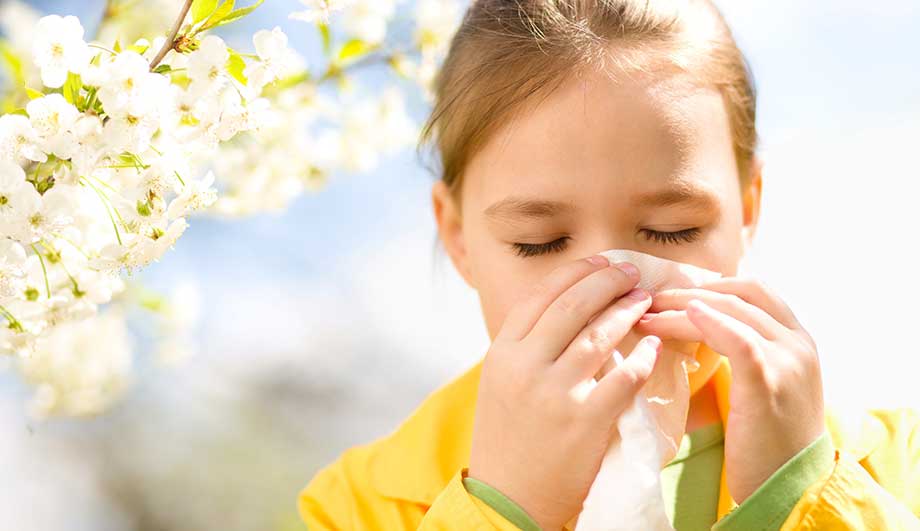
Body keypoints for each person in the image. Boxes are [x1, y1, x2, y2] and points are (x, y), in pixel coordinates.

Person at [298, 1, 920, 529]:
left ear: (747, 208)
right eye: (538, 241)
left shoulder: (894, 465)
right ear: (458, 236)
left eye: (672, 231)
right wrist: (507, 507)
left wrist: (797, 494)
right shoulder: (360, 502)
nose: (612, 288)